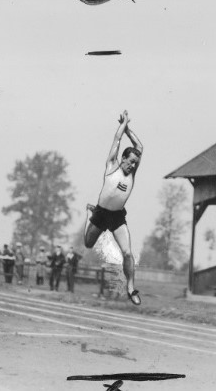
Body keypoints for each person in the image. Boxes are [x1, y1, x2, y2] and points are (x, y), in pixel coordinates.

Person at [83, 110, 143, 305]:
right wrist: (122, 125)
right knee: (88, 243)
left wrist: (129, 129)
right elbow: (116, 139)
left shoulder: (132, 176)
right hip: (100, 213)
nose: (133, 166)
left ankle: (131, 287)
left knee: (127, 252)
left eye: (136, 163)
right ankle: (89, 213)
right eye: (131, 162)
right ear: (123, 159)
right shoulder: (112, 166)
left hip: (117, 217)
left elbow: (139, 146)